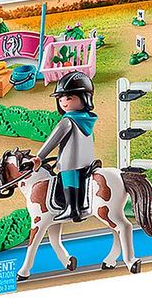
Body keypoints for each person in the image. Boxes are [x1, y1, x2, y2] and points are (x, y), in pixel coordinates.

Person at [30, 72, 97, 222]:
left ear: (84, 98)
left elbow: (52, 140)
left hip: (71, 160)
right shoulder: (87, 119)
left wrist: (39, 157)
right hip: (87, 159)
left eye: (69, 98)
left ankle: (71, 208)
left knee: (67, 174)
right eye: (60, 99)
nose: (64, 102)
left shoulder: (67, 121)